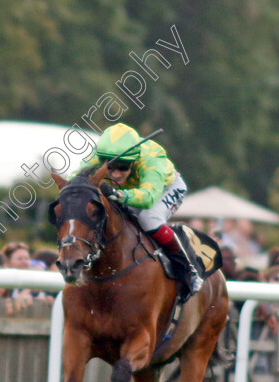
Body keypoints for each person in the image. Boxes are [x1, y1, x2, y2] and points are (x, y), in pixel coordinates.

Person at [86, 123, 202, 295]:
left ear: (134, 161)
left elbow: (148, 198)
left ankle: (189, 270)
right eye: (110, 167)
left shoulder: (152, 158)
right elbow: (73, 179)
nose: (116, 174)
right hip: (127, 190)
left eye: (123, 166)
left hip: (163, 189)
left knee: (148, 218)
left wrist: (119, 195)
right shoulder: (100, 156)